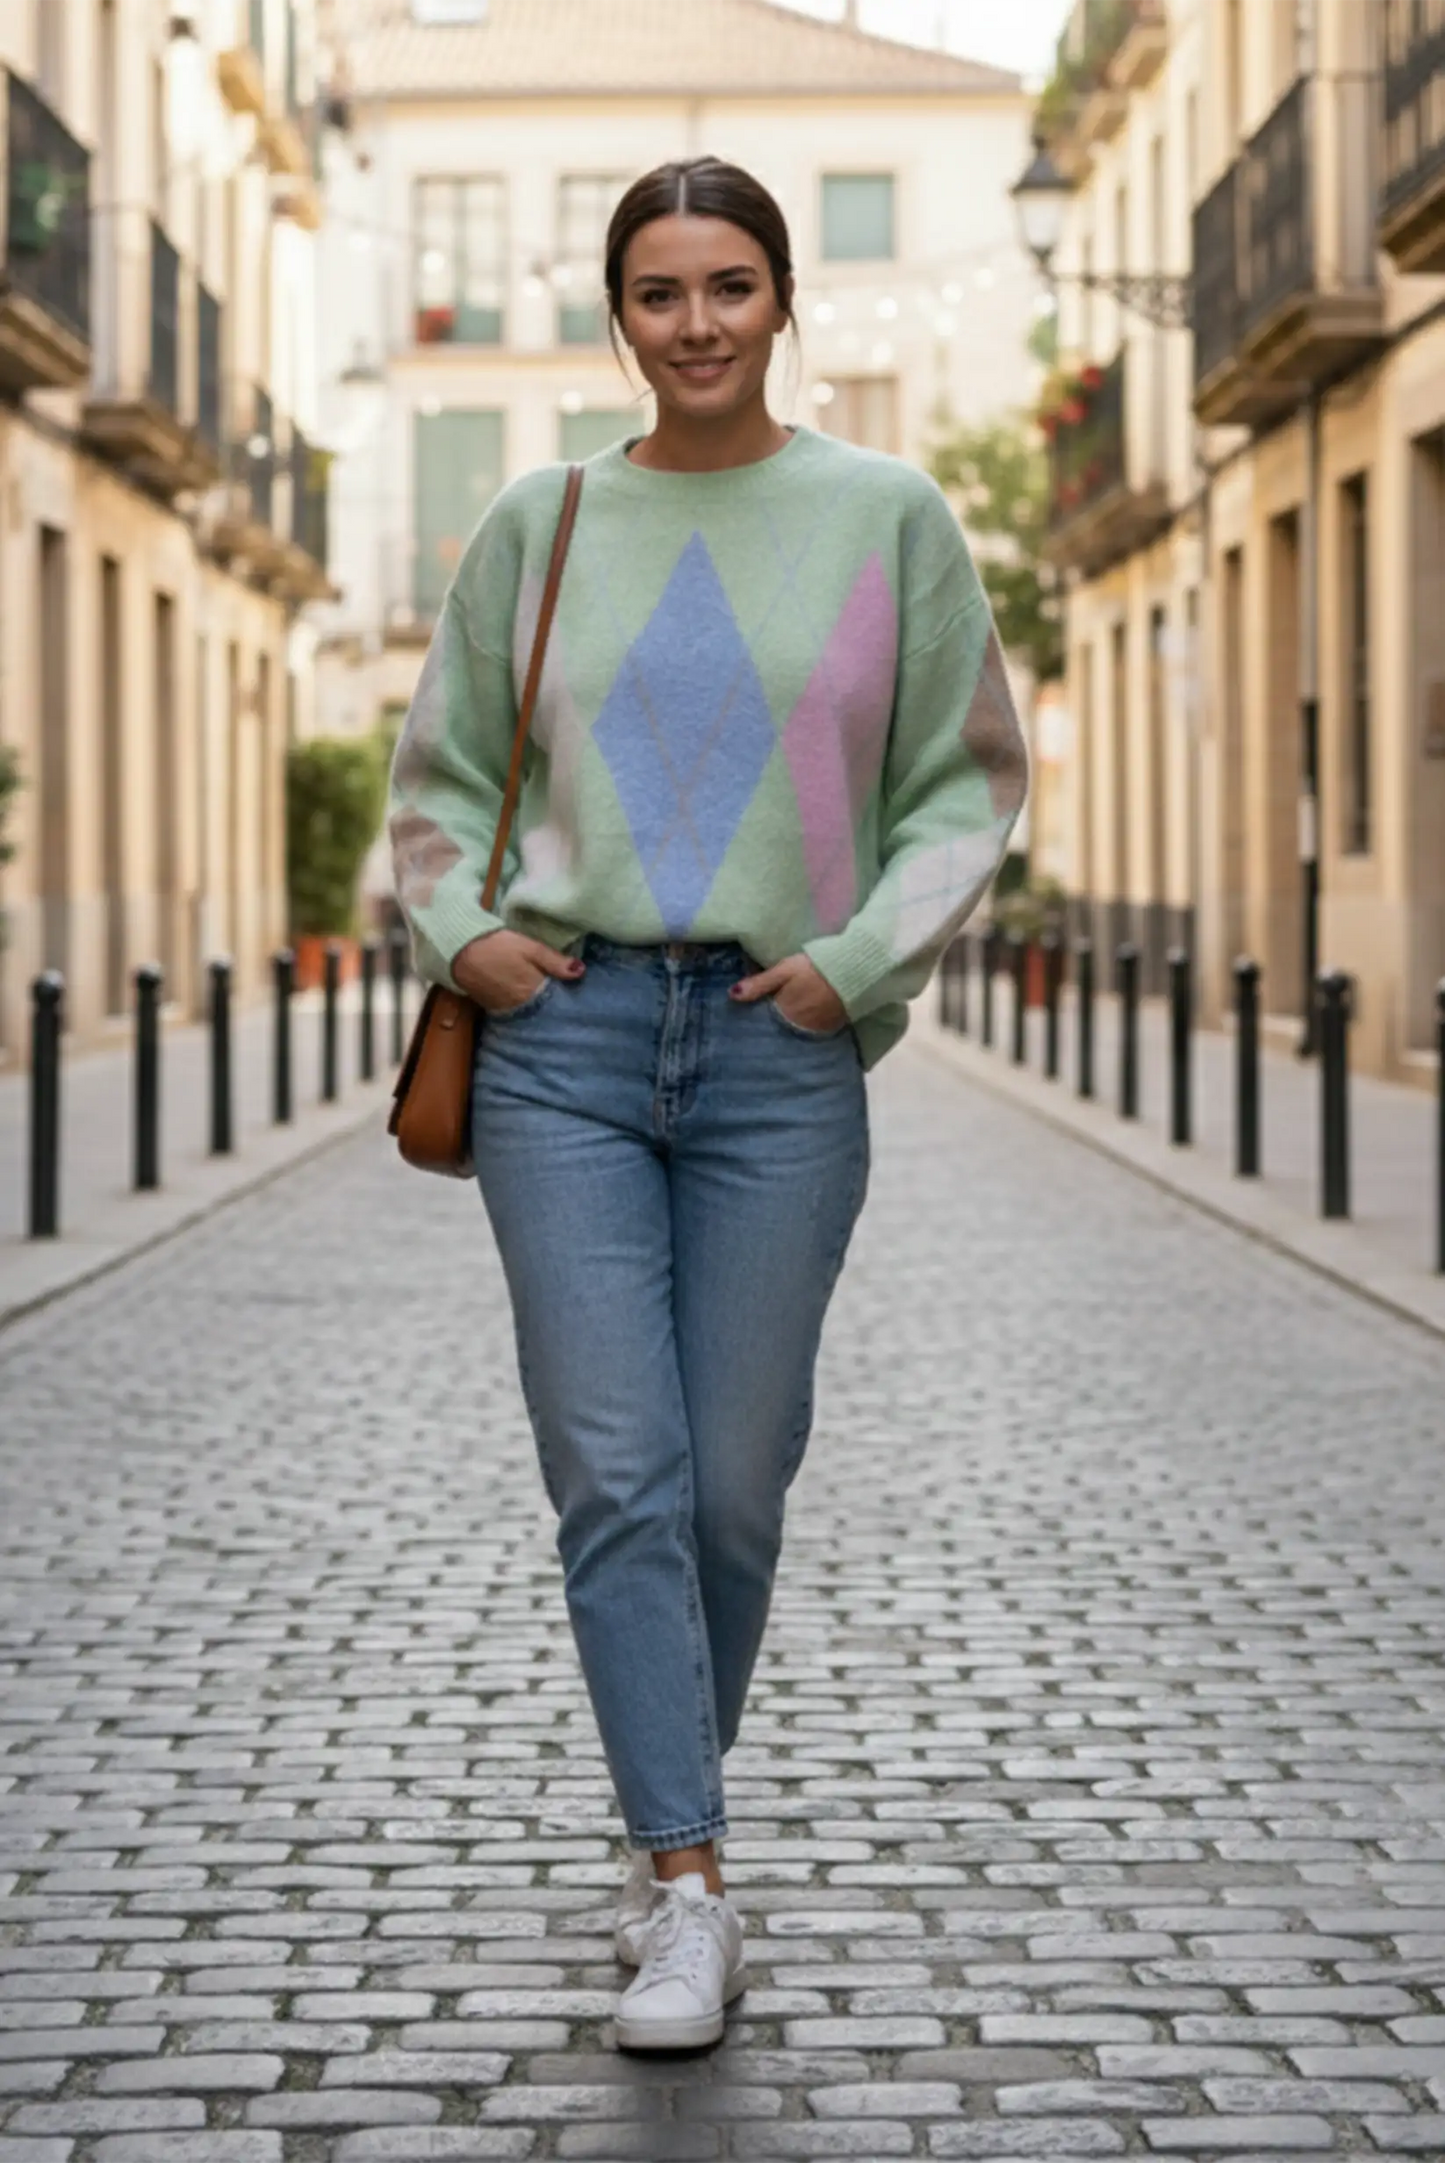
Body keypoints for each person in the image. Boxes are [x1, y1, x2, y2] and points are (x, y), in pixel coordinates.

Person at [388, 155, 1028, 2053]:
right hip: (561, 1050)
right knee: (620, 1474)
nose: (697, 324)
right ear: (619, 314)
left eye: (731, 285)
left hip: (779, 1047)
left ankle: (669, 1814)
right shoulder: (540, 520)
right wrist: (468, 936)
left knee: (733, 1489)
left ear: (779, 302)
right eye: (659, 292)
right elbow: (434, 783)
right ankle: (689, 1882)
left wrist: (860, 964)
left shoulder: (888, 517)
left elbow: (969, 783)